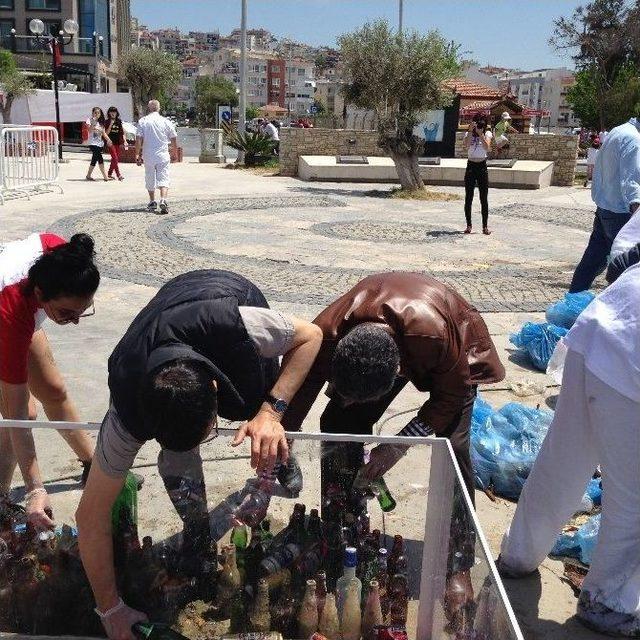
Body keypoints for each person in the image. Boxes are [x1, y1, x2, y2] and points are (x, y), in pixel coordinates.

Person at [76, 269, 323, 640]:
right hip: (160, 325)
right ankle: (197, 533)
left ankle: (281, 455)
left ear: (214, 386)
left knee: (262, 404)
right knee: (179, 462)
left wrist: (271, 413)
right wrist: (110, 609)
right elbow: (89, 516)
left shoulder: (240, 326)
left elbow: (311, 336)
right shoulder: (127, 410)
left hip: (226, 296)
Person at [281, 272, 505, 618]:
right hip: (380, 336)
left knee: (454, 447)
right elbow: (299, 387)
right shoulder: (328, 333)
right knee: (339, 421)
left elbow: (451, 396)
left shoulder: (435, 338)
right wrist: (283, 439)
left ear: (399, 370)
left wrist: (397, 446)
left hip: (452, 345)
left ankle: (458, 562)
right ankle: (341, 521)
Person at [498, 262, 640, 636]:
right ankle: (606, 603)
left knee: (562, 462)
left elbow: (622, 255)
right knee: (633, 502)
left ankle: (519, 555)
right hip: (630, 360)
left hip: (600, 329)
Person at [0, 233, 99, 530]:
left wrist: (67, 310)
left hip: (21, 311)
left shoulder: (63, 256)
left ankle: (93, 463)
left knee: (53, 389)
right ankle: (2, 500)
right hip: (6, 316)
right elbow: (16, 417)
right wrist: (36, 489)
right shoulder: (11, 313)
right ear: (42, 295)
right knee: (22, 413)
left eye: (83, 310)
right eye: (67, 314)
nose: (76, 320)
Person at [569, 116, 640, 293]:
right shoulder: (635, 140)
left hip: (605, 207)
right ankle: (617, 310)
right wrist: (636, 217)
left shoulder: (619, 131)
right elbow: (632, 181)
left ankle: (572, 300)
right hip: (620, 213)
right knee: (626, 266)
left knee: (592, 261)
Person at [135, 100, 178, 215]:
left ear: (149, 109)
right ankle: (163, 199)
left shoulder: (143, 121)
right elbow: (173, 138)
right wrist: (174, 152)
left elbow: (138, 139)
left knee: (150, 177)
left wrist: (137, 154)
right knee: (164, 177)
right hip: (163, 154)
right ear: (159, 108)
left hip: (148, 155)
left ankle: (152, 201)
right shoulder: (166, 121)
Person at [463, 118, 493, 235]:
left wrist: (481, 135)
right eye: (477, 126)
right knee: (468, 197)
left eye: (481, 126)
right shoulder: (469, 133)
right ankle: (469, 225)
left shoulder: (487, 134)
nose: (479, 128)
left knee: (483, 198)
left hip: (482, 166)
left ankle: (485, 226)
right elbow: (466, 145)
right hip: (471, 166)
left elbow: (487, 148)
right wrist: (471, 131)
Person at [86, 107, 112, 182]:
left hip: (99, 143)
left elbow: (103, 133)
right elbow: (89, 130)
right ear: (92, 113)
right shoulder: (89, 120)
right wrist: (93, 122)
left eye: (98, 113)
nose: (97, 114)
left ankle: (88, 175)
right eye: (95, 112)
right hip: (92, 143)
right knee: (100, 158)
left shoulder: (101, 123)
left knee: (94, 159)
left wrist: (108, 139)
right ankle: (105, 176)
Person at [105, 106, 127, 181]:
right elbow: (106, 133)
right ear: (109, 113)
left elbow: (122, 133)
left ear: (116, 113)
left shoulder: (119, 121)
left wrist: (125, 141)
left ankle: (109, 173)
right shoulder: (107, 122)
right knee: (115, 158)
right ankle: (118, 175)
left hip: (118, 142)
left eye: (114, 112)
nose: (113, 113)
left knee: (114, 159)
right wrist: (111, 125)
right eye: (111, 112)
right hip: (110, 142)